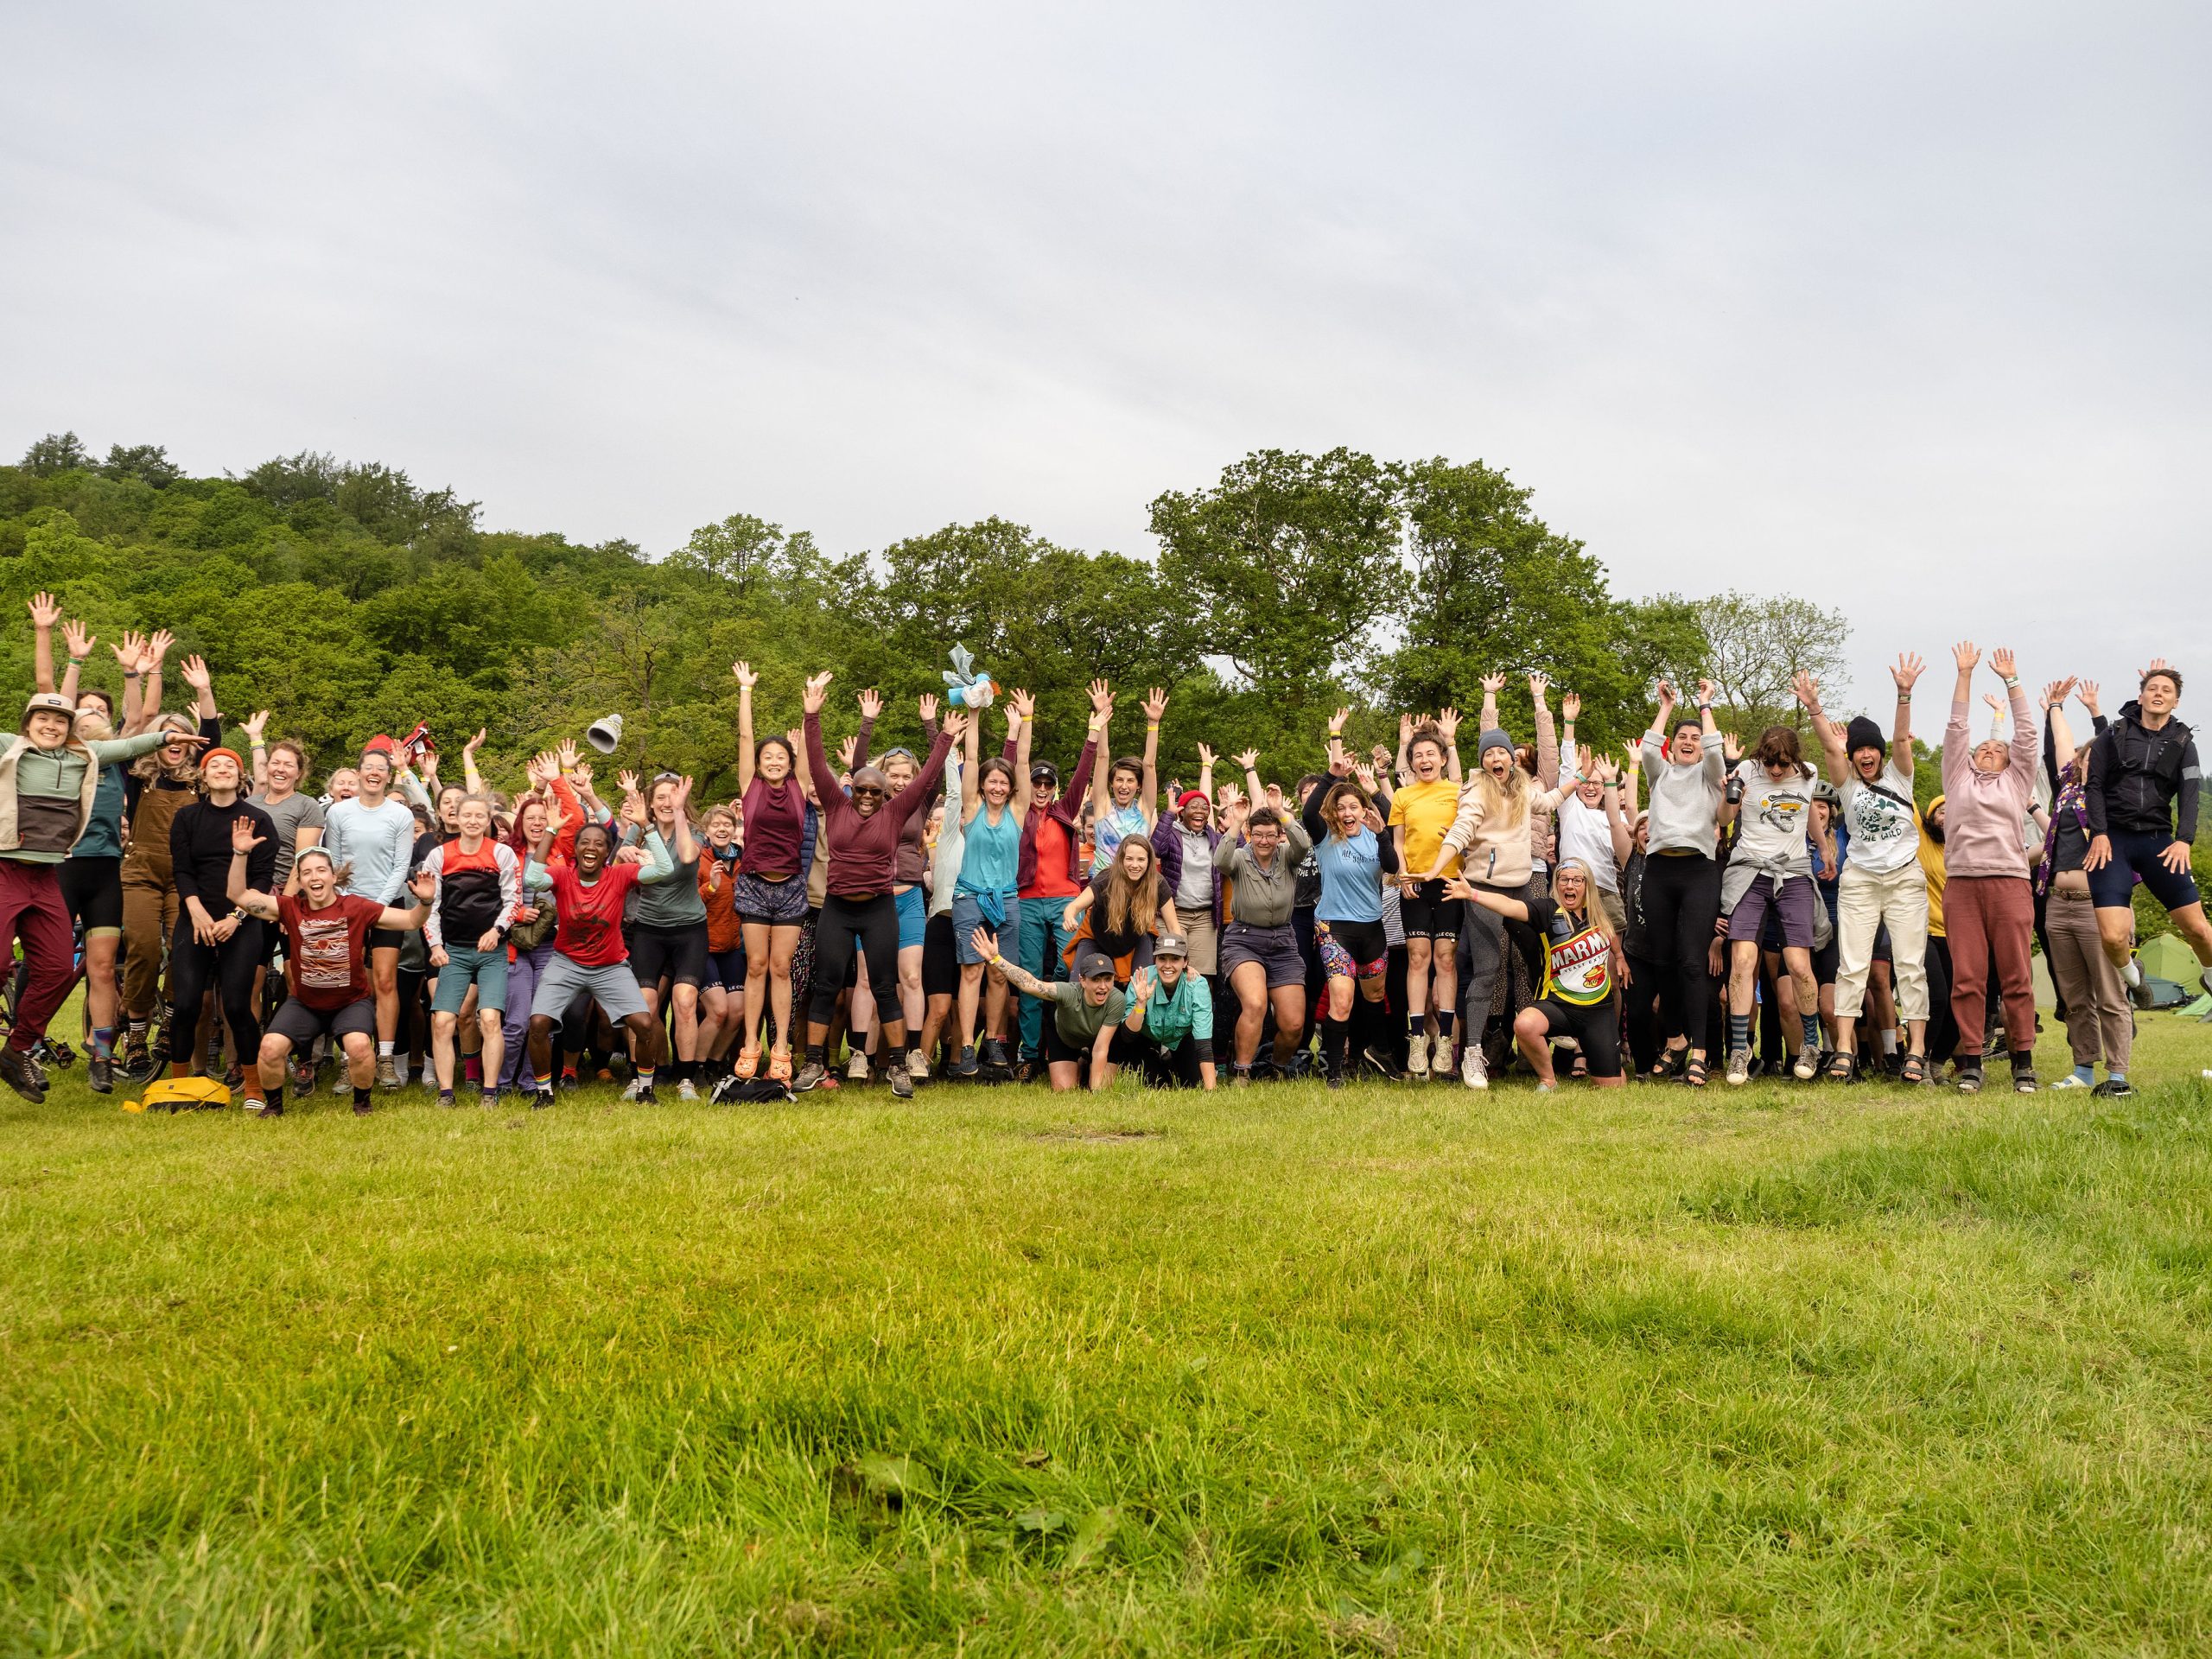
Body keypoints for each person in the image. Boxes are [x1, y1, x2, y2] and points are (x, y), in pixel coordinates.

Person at [0, 669, 180, 1101]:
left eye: (64, 722)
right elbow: (51, 696)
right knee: (10, 964)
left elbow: (136, 732)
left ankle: (80, 1052)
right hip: (31, 868)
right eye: (48, 720)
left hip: (85, 873)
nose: (56, 727)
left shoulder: (99, 759)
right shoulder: (18, 750)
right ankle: (29, 1046)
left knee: (79, 968)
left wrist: (166, 735)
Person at [795, 671, 958, 1096]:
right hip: (837, 909)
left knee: (887, 985)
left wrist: (942, 736)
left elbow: (925, 780)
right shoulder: (837, 803)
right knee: (828, 984)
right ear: (852, 791)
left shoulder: (894, 813)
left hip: (878, 909)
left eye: (875, 791)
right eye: (862, 789)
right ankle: (814, 1064)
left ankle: (899, 1066)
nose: (867, 796)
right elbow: (815, 761)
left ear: (886, 795)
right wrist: (811, 715)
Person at [227, 823, 431, 1116]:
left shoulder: (357, 908)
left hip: (350, 1002)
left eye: (321, 870)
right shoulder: (289, 907)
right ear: (299, 879)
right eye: (306, 872)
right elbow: (238, 895)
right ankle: (273, 1107)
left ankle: (362, 1103)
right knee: (270, 1048)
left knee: (360, 1046)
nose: (314, 877)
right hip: (305, 1003)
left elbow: (412, 921)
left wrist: (425, 900)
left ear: (333, 876)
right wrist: (239, 853)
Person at [1794, 658, 1931, 1082]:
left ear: (1881, 753)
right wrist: (1815, 708)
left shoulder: (1900, 777)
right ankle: (1844, 1052)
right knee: (1851, 964)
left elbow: (1901, 742)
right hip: (1861, 882)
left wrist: (1903, 694)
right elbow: (1831, 749)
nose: (1865, 754)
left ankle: (1917, 1051)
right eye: (1859, 749)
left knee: (1910, 965)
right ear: (1853, 756)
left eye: (1871, 748)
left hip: (1905, 879)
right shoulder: (1847, 784)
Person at [51, 620, 162, 1093]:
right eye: (85, 714)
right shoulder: (55, 754)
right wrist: (72, 661)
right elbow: (50, 698)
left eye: (101, 714)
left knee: (100, 968)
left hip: (105, 872)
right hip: (59, 868)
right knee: (50, 965)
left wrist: (134, 674)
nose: (93, 716)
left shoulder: (113, 758)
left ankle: (101, 1053)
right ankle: (26, 1043)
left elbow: (138, 722)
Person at [1409, 721, 1549, 1090]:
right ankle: (1472, 1052)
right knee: (1487, 968)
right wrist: (1435, 870)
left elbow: (1548, 801)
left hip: (1520, 888)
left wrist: (1580, 779)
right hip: (1483, 887)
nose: (1496, 758)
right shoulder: (1475, 792)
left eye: (1501, 751)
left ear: (1512, 758)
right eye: (1489, 754)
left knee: (1538, 957)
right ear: (1483, 763)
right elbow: (1460, 831)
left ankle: (1558, 1025)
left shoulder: (1521, 789)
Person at [521, 817, 680, 1104]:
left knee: (644, 1023)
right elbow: (532, 879)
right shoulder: (562, 875)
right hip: (566, 962)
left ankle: (645, 1089)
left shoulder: (619, 875)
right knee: (539, 1022)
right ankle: (544, 1093)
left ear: (608, 853)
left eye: (599, 843)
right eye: (584, 842)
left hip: (610, 966)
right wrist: (550, 830)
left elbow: (664, 869)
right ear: (576, 850)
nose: (591, 847)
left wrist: (646, 826)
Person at [1940, 643, 2040, 1093]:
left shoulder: (2017, 783)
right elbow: (1957, 727)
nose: (1990, 749)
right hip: (1962, 886)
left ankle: (2023, 1060)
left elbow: (2027, 737)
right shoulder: (1957, 777)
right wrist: (1965, 674)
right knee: (1968, 977)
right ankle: (1973, 1061)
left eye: (1999, 748)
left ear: (2010, 761)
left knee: (2016, 974)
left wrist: (2012, 681)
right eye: (1984, 747)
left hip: (2009, 883)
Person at [2083, 659, 2211, 1003]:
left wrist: (2184, 840)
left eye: (2166, 690)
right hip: (2113, 841)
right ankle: (2134, 980)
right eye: (2152, 688)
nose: (2159, 694)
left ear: (2176, 701)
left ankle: (2211, 978)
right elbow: (2093, 786)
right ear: (2140, 696)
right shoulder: (2113, 735)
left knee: (2200, 931)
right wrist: (2098, 832)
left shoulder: (2184, 742)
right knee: (2112, 937)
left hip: (2159, 841)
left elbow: (2190, 793)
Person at [1449, 857, 1625, 1091]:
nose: (1569, 886)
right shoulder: (1548, 910)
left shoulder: (1598, 915)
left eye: (1576, 880)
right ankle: (1548, 1080)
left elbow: (1611, 935)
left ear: (1587, 885)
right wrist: (1473, 894)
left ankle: (1608, 1060)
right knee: (1524, 1024)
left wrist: (1620, 956)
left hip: (1598, 1011)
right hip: (1559, 1006)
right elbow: (1509, 906)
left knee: (1611, 1087)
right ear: (1556, 883)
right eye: (1564, 880)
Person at [165, 747, 279, 1101]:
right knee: (185, 1005)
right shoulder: (186, 817)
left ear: (240, 776)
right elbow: (182, 870)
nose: (222, 768)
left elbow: (262, 879)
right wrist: (195, 910)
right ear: (204, 776)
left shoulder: (259, 820)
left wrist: (237, 917)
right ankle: (178, 1088)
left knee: (236, 1006)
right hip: (195, 919)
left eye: (230, 764)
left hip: (241, 923)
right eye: (214, 764)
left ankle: (254, 1087)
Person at [2037, 682, 2131, 1093]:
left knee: (2110, 995)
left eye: (2094, 755)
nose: (2085, 759)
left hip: (2100, 903)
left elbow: (2116, 743)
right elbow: (2061, 741)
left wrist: (2097, 713)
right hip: (2059, 904)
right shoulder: (2067, 789)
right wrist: (2056, 705)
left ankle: (2117, 1074)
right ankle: (2083, 1070)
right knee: (2074, 996)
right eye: (2084, 755)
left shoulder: (2114, 797)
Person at [1717, 725, 1822, 1085]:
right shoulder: (1746, 771)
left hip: (1792, 874)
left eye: (1783, 764)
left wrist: (1823, 846)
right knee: (1743, 960)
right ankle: (1738, 1051)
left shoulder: (1809, 774)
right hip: (1750, 872)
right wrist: (1728, 796)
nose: (1775, 771)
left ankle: (1811, 1043)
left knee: (1797, 963)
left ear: (1794, 758)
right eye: (1769, 763)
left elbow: (1808, 813)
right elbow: (1724, 820)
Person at [1636, 680, 1727, 1086]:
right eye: (1682, 738)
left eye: (1695, 738)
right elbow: (1647, 748)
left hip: (1698, 873)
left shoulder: (1709, 776)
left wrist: (1705, 705)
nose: (1689, 742)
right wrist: (1666, 706)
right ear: (1672, 747)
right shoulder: (1660, 775)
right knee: (1664, 962)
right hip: (1659, 871)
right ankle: (1674, 1040)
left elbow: (1716, 755)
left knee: (1692, 963)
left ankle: (1700, 1052)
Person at [1013, 683, 1107, 1075]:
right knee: (1031, 980)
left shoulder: (1066, 810)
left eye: (1048, 784)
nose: (1042, 789)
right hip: (1028, 902)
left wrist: (1094, 730)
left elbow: (1085, 771)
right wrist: (1024, 724)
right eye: (1037, 783)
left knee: (1072, 975)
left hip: (1066, 901)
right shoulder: (1019, 811)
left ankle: (1073, 1049)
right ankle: (1029, 1055)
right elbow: (1015, 764)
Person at [729, 663, 814, 1085]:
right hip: (755, 885)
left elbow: (808, 746)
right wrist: (746, 691)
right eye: (768, 756)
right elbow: (746, 737)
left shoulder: (799, 786)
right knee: (757, 964)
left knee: (782, 967)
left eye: (782, 756)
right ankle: (751, 1043)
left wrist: (810, 707)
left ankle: (780, 1047)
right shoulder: (751, 786)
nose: (775, 761)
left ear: (790, 762)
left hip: (792, 887)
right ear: (759, 763)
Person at [320, 746, 423, 1087]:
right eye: (369, 767)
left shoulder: (400, 815)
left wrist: (375, 907)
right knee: (351, 983)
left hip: (386, 905)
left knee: (385, 981)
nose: (375, 773)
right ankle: (351, 1060)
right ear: (359, 772)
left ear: (388, 776)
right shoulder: (339, 813)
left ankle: (386, 1059)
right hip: (345, 905)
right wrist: (349, 903)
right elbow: (333, 862)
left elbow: (400, 865)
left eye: (381, 768)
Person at [1302, 738, 1397, 1087]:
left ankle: (1371, 1054)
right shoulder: (1325, 837)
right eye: (1341, 808)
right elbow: (1307, 813)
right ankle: (1335, 1073)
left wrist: (1383, 834)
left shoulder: (1375, 836)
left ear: (1362, 810)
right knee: (1341, 998)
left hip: (1372, 928)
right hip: (1334, 928)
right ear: (1335, 812)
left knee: (1374, 996)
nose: (1347, 814)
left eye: (1353, 807)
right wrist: (1331, 775)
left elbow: (1392, 865)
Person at [950, 690, 1036, 1076]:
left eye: (1004, 782)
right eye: (992, 782)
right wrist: (974, 713)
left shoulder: (1019, 810)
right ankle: (967, 1046)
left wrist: (1023, 724)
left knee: (999, 971)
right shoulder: (972, 808)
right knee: (971, 971)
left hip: (1007, 900)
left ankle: (995, 1042)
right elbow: (970, 760)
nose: (999, 787)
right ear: (983, 785)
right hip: (970, 897)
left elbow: (1023, 762)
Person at [420, 792, 523, 1109]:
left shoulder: (502, 853)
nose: (473, 821)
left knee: (490, 1018)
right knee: (443, 1021)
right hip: (454, 951)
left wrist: (497, 931)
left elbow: (513, 900)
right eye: (467, 816)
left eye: (480, 816)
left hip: (492, 950)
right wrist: (435, 946)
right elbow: (431, 907)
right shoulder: (439, 856)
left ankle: (489, 1094)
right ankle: (446, 1094)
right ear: (456, 817)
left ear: (488, 819)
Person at [620, 772, 709, 1099]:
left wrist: (682, 813)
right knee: (643, 1005)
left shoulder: (694, 832)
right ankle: (638, 1077)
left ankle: (685, 1079)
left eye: (674, 795)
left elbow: (687, 857)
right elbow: (618, 863)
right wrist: (626, 852)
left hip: (689, 930)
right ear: (651, 804)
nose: (667, 801)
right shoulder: (638, 833)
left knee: (685, 1002)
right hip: (648, 929)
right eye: (661, 796)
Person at [1214, 798, 1312, 1083]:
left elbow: (1303, 845)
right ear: (1250, 834)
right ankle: (1242, 1073)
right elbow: (1220, 861)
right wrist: (1236, 823)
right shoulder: (1241, 858)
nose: (1264, 841)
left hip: (1283, 942)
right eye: (1258, 834)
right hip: (1244, 940)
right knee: (1255, 1004)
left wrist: (1282, 813)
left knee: (1293, 1024)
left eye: (1270, 834)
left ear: (1279, 835)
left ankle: (1276, 1068)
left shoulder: (1287, 856)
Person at [1386, 715, 1461, 1078]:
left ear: (1443, 758)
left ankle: (1444, 1042)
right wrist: (1401, 875)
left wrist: (1451, 739)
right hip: (1413, 883)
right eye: (1418, 755)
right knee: (1418, 957)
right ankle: (1418, 1039)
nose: (1425, 760)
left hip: (1450, 883)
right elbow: (1397, 843)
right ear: (1411, 762)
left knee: (1445, 959)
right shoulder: (1403, 795)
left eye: (1432, 753)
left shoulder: (1458, 791)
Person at [980, 935, 1129, 1092]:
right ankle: (1081, 1060)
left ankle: (1087, 1064)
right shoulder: (1069, 992)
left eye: (1108, 979)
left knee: (1103, 1087)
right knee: (1064, 1089)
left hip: (1097, 1042)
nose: (1103, 986)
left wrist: (1096, 1090)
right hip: (1065, 1037)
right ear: (1083, 981)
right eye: (1096, 980)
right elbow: (1030, 984)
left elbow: (1100, 1048)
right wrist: (996, 959)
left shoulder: (1117, 999)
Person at [1120, 936, 1216, 1088]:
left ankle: (1169, 1059)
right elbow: (1127, 1036)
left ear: (1185, 962)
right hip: (1146, 1039)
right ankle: (1161, 1061)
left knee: (1194, 1084)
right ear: (1155, 961)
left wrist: (1211, 1092)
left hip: (1181, 1039)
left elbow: (1204, 1043)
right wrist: (1141, 1003)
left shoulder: (1198, 985)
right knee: (1149, 1084)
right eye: (1162, 958)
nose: (1167, 965)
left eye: (1175, 959)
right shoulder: (1141, 980)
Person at [1090, 687, 1166, 874]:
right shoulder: (1103, 807)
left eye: (1130, 781)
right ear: (1112, 783)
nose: (1124, 786)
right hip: (1104, 883)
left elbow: (1149, 765)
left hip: (1136, 884)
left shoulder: (1144, 809)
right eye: (1119, 780)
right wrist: (1102, 717)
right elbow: (1102, 756)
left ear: (1139, 785)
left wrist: (1153, 723)